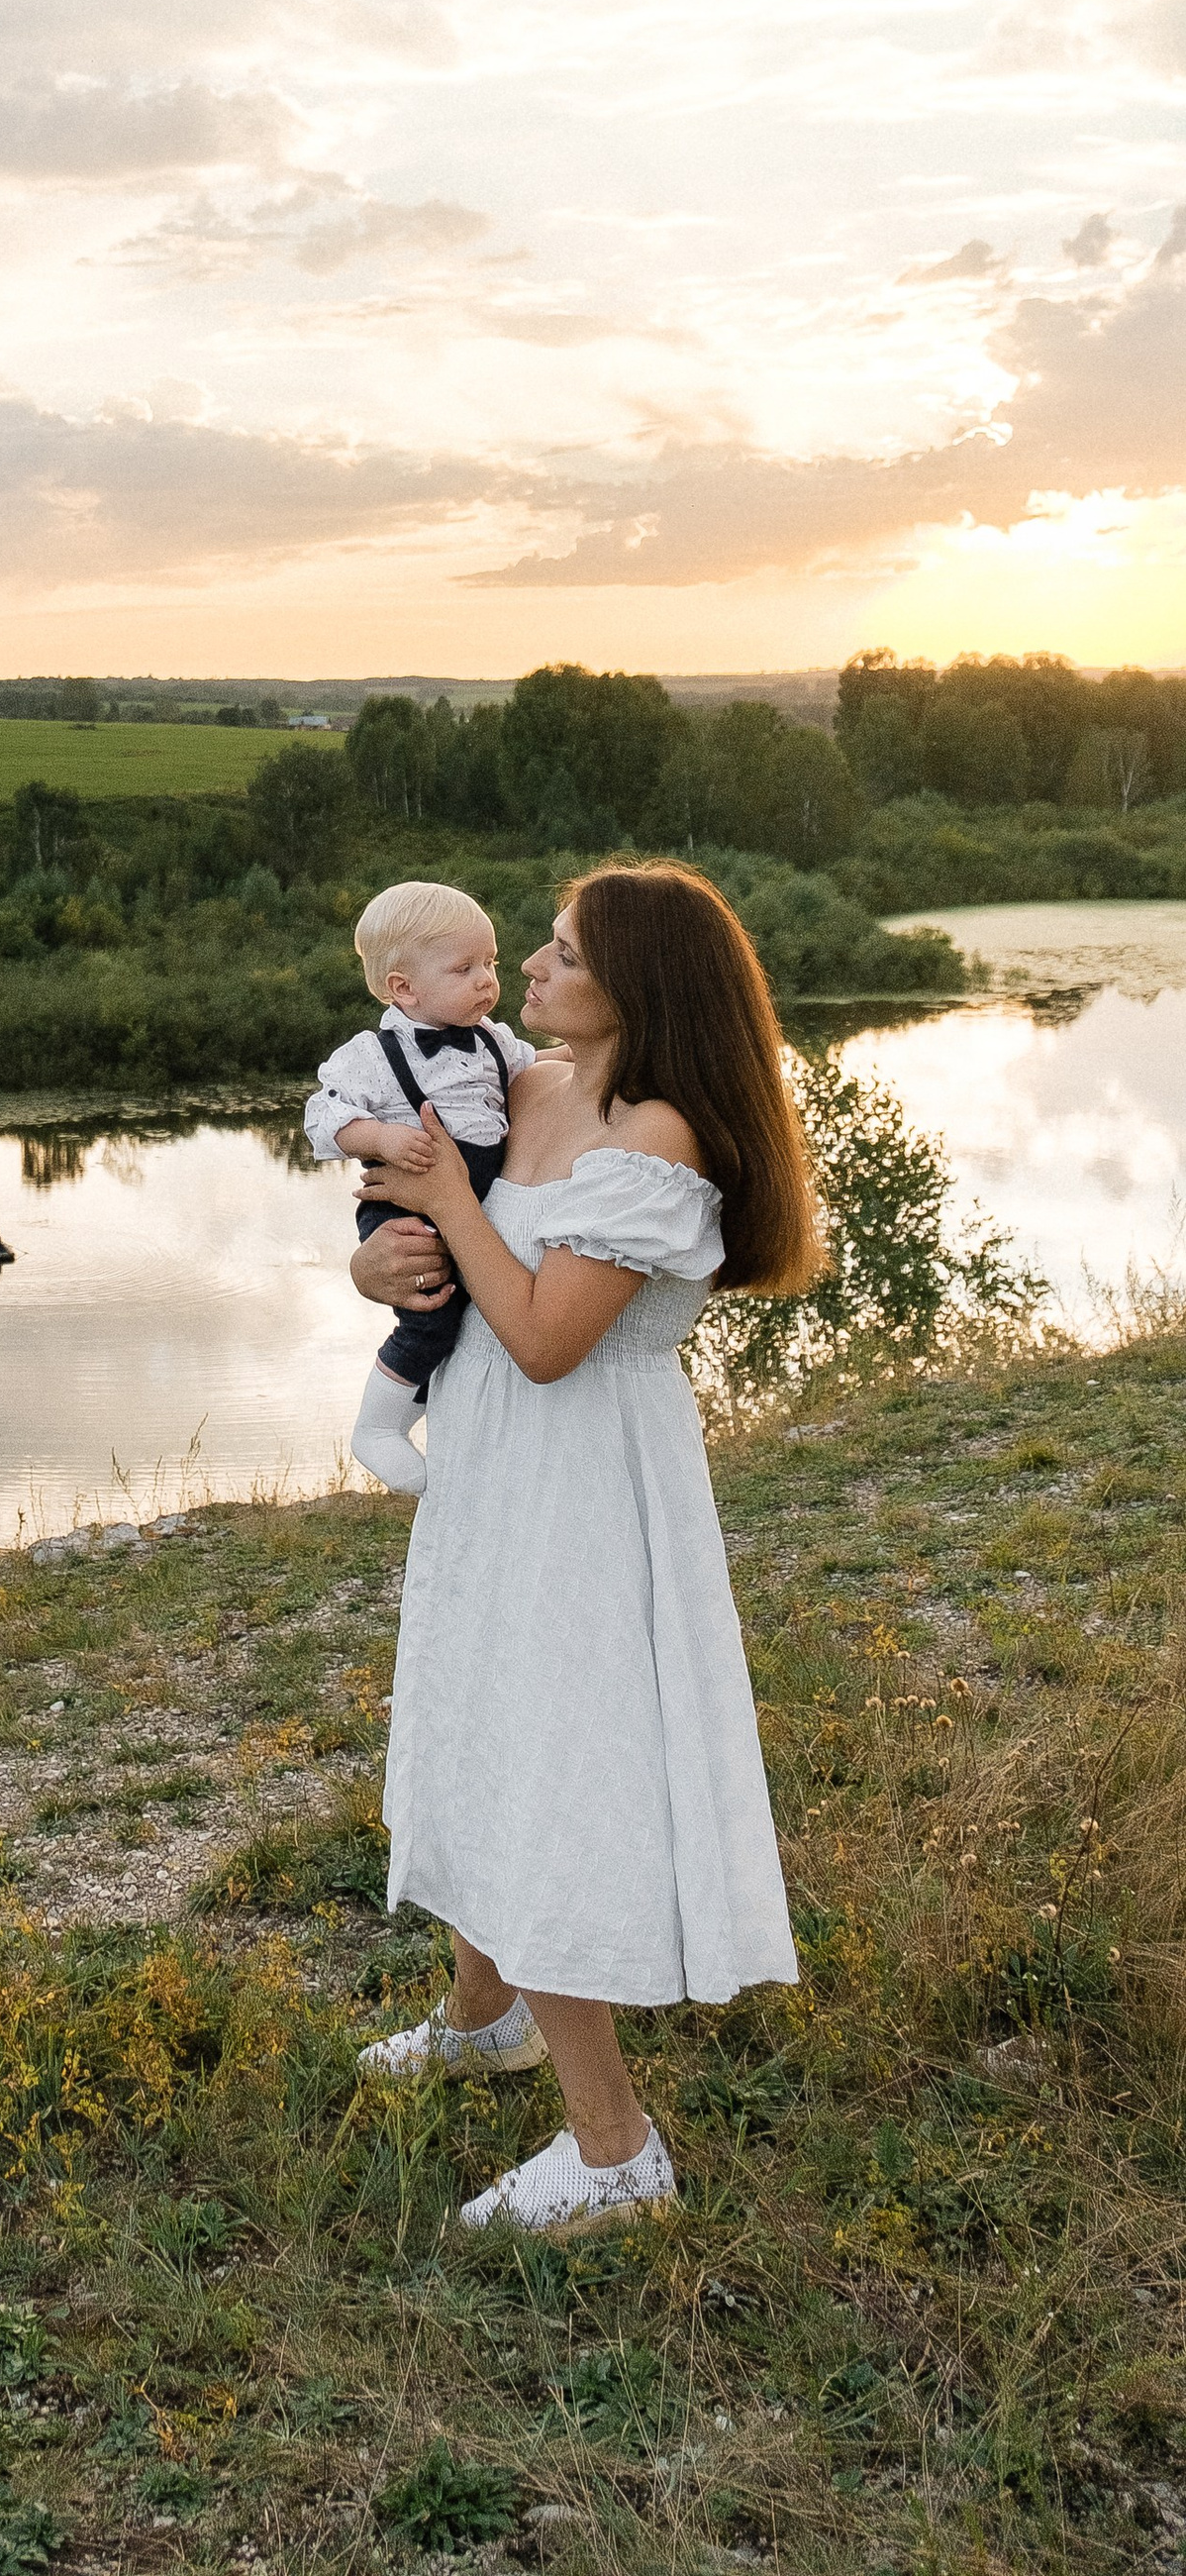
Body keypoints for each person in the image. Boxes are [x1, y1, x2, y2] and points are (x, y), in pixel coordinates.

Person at [348, 863, 818, 2237]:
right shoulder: (526, 1082)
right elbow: (433, 1248)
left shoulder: (658, 1135)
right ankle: (482, 2017)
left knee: (549, 1767)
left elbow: (549, 1339)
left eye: (561, 952)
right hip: (494, 1456)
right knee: (479, 1721)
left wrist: (451, 1203)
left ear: (639, 984)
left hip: (584, 1476)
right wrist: (375, 1264)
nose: (533, 970)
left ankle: (615, 2153)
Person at [304, 879, 535, 1496]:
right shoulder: (371, 1056)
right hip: (404, 1210)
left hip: (471, 1203)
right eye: (465, 968)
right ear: (403, 987)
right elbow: (322, 1117)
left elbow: (542, 1069)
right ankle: (378, 1427)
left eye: (490, 963)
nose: (487, 980)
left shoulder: (494, 1041)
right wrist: (379, 1137)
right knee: (431, 1317)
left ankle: (450, 1422)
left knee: (479, 1311)